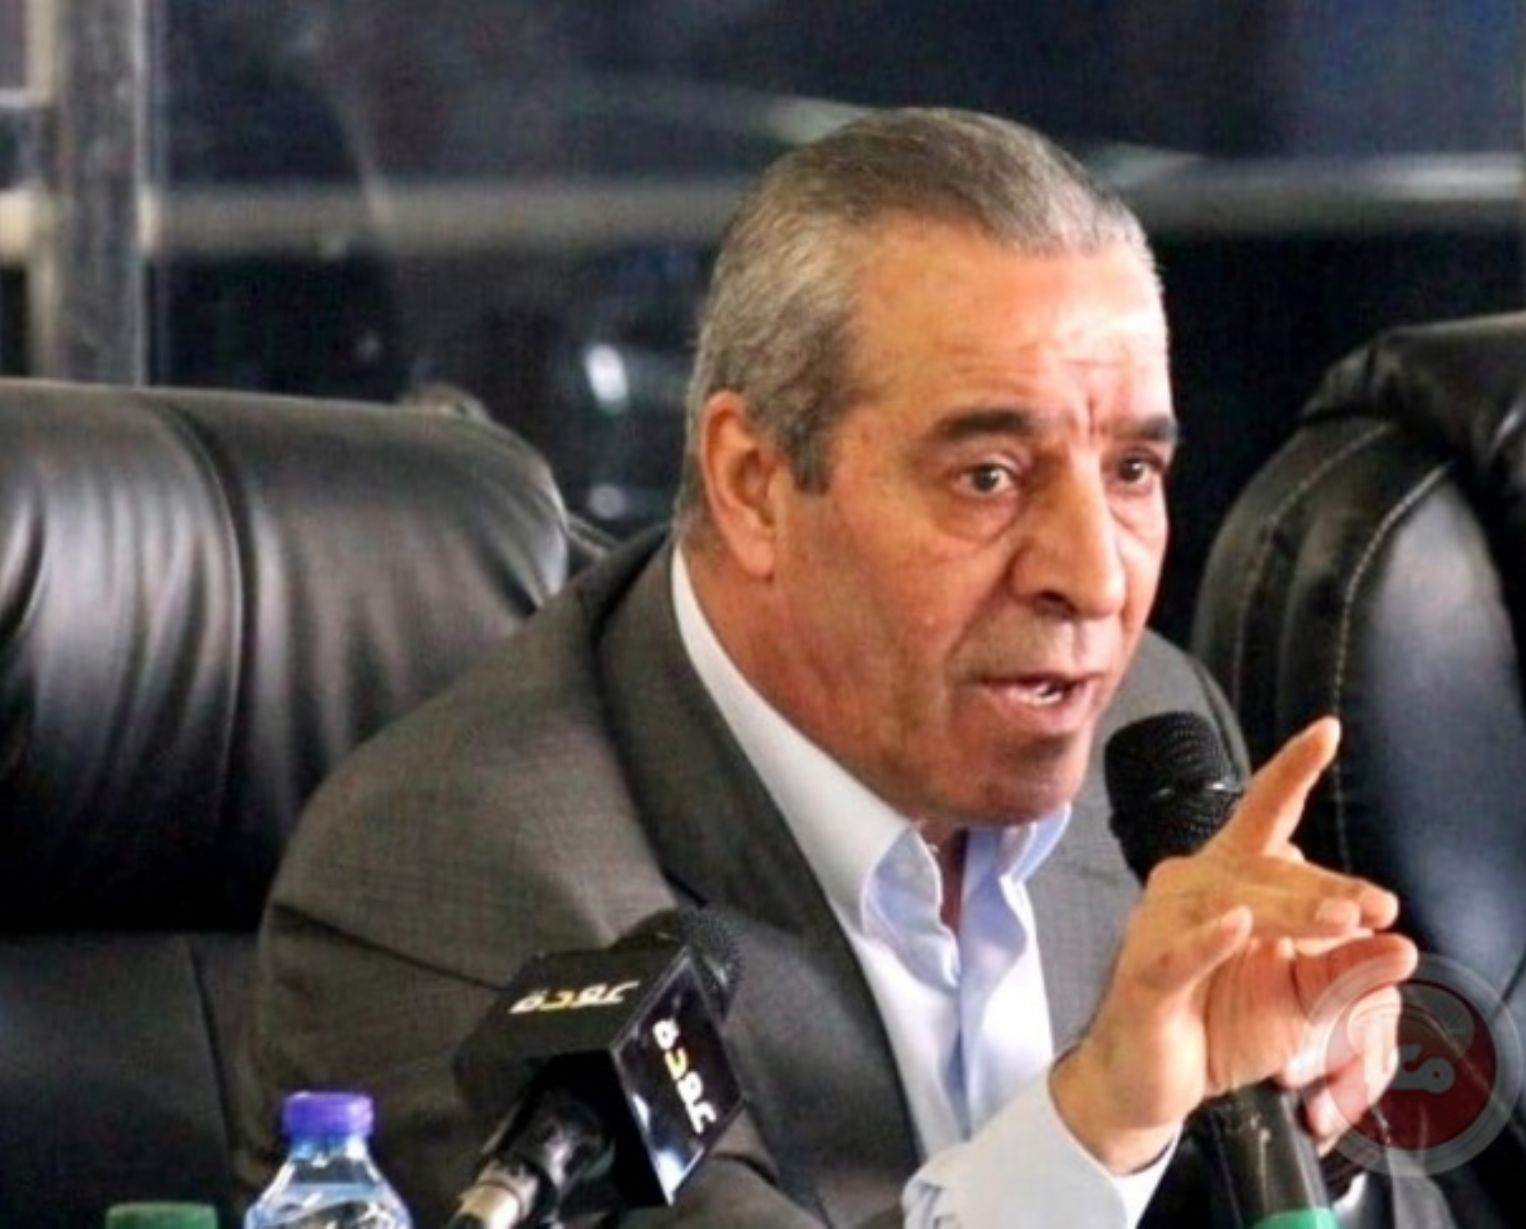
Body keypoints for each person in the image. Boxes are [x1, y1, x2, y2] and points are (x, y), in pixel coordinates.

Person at [236, 108, 1429, 1227]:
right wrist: (1095, 1127)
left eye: (1131, 472)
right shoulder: (461, 872)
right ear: (753, 482)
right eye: (988, 477)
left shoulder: (1150, 729)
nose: (1094, 577)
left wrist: (1309, 1132)